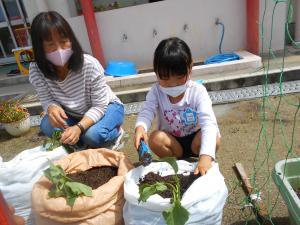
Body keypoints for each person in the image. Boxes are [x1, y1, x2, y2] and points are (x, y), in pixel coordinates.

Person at [29, 11, 124, 149]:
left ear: (71, 40)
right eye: (50, 45)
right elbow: (46, 98)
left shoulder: (89, 65)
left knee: (93, 135)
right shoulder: (36, 69)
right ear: (39, 48)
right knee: (47, 125)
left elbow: (99, 106)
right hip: (75, 114)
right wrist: (51, 107)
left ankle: (116, 133)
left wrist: (79, 128)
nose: (59, 49)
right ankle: (82, 143)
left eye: (63, 42)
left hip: (107, 107)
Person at [134, 37, 221, 175]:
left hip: (195, 140)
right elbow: (147, 111)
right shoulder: (156, 91)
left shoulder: (198, 91)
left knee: (213, 137)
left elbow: (208, 122)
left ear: (190, 68)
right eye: (165, 80)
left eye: (179, 79)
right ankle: (176, 164)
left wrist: (205, 157)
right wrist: (140, 127)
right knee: (155, 139)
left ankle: (200, 158)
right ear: (156, 73)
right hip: (173, 142)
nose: (173, 85)